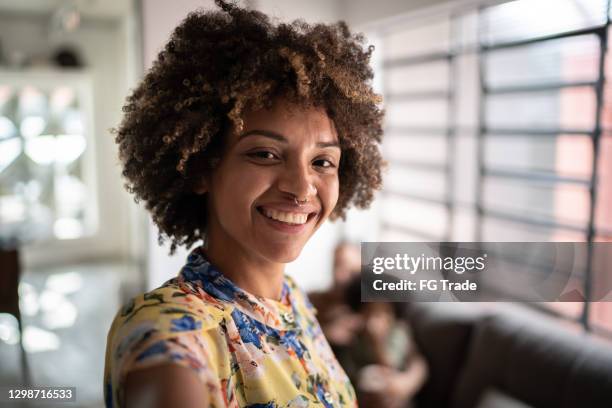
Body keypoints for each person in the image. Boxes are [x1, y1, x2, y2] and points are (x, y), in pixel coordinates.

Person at [103, 1, 384, 407]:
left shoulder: (291, 298)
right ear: (202, 169)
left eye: (322, 161)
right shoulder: (167, 332)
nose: (302, 188)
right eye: (265, 154)